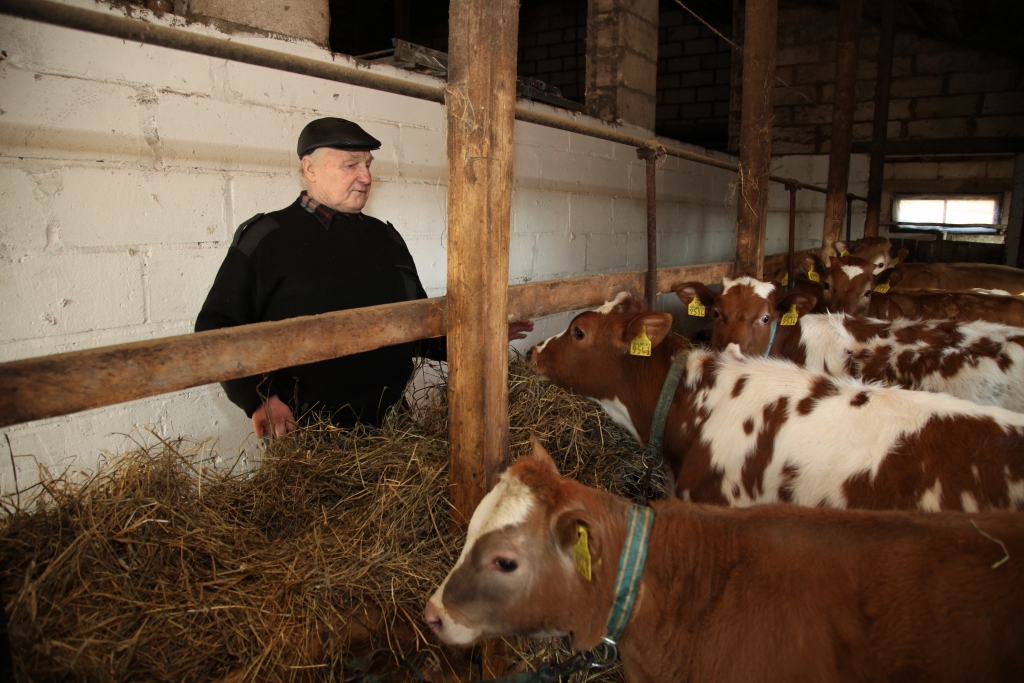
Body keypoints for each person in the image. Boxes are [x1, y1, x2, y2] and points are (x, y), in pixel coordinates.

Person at [196, 117, 532, 438]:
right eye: (350, 165)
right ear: (309, 169)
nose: (366, 177)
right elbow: (216, 328)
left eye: (368, 165)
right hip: (309, 437)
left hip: (394, 428)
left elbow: (417, 329)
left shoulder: (385, 239)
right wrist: (260, 399)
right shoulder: (268, 239)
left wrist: (481, 337)